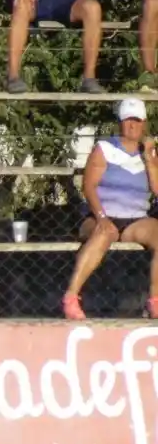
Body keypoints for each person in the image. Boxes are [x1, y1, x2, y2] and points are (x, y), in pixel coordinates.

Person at [62, 98, 158, 320]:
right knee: (106, 231)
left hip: (134, 219)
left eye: (136, 120)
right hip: (99, 215)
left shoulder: (148, 153)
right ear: (120, 123)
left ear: (143, 123)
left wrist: (150, 159)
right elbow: (89, 186)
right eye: (127, 120)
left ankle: (154, 301)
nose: (132, 125)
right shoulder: (104, 149)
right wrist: (102, 216)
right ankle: (71, 297)